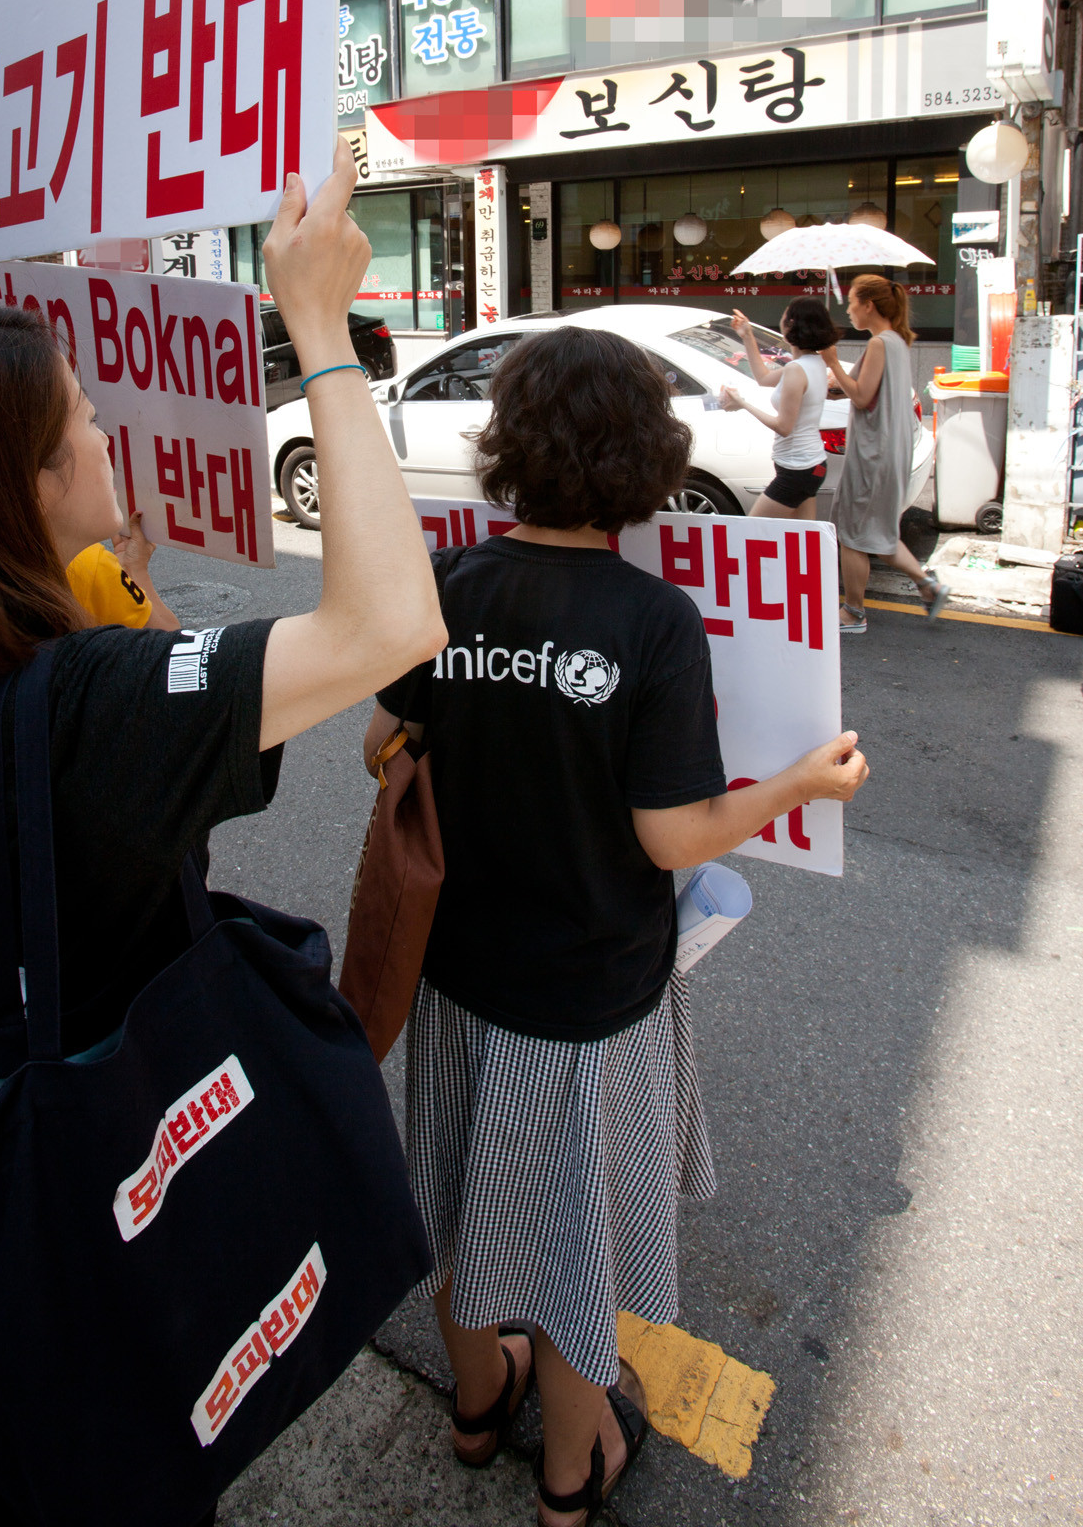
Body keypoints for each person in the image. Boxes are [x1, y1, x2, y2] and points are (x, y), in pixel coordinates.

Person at [0, 142, 448, 1527]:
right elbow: (393, 625)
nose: (106, 430)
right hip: (132, 1137)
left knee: (67, 1421)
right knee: (135, 1432)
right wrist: (321, 333)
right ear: (24, 491)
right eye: (83, 420)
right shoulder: (86, 709)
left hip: (9, 1096)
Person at [362, 326, 868, 1527]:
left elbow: (380, 741)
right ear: (646, 457)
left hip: (454, 972)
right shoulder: (653, 618)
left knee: (464, 1206)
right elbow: (673, 836)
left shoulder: (450, 581)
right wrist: (801, 783)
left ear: (510, 444)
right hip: (590, 999)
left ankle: (476, 1407)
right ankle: (569, 1474)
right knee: (572, 1250)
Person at [0, 230, 180, 631]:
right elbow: (176, 656)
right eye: (90, 419)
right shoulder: (82, 576)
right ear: (26, 481)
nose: (105, 440)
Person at [824, 274, 951, 635]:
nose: (849, 310)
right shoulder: (895, 341)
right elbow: (858, 390)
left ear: (869, 305)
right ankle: (929, 585)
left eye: (852, 302)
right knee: (878, 533)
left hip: (872, 455)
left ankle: (853, 612)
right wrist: (835, 382)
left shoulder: (879, 343)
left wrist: (833, 362)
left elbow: (862, 396)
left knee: (852, 534)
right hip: (889, 452)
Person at [717, 300, 839, 518]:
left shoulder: (796, 369)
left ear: (791, 324)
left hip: (797, 469)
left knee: (752, 529)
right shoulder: (813, 362)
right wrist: (747, 335)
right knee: (803, 534)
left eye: (784, 316)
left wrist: (742, 403)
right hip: (811, 466)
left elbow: (784, 427)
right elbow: (763, 378)